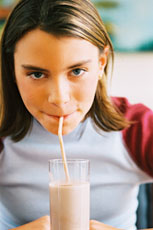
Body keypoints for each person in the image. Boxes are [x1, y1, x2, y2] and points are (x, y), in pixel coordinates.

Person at [0, 0, 153, 229]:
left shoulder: (137, 128)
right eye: (37, 74)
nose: (59, 98)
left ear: (101, 63)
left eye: (77, 71)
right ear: (12, 69)